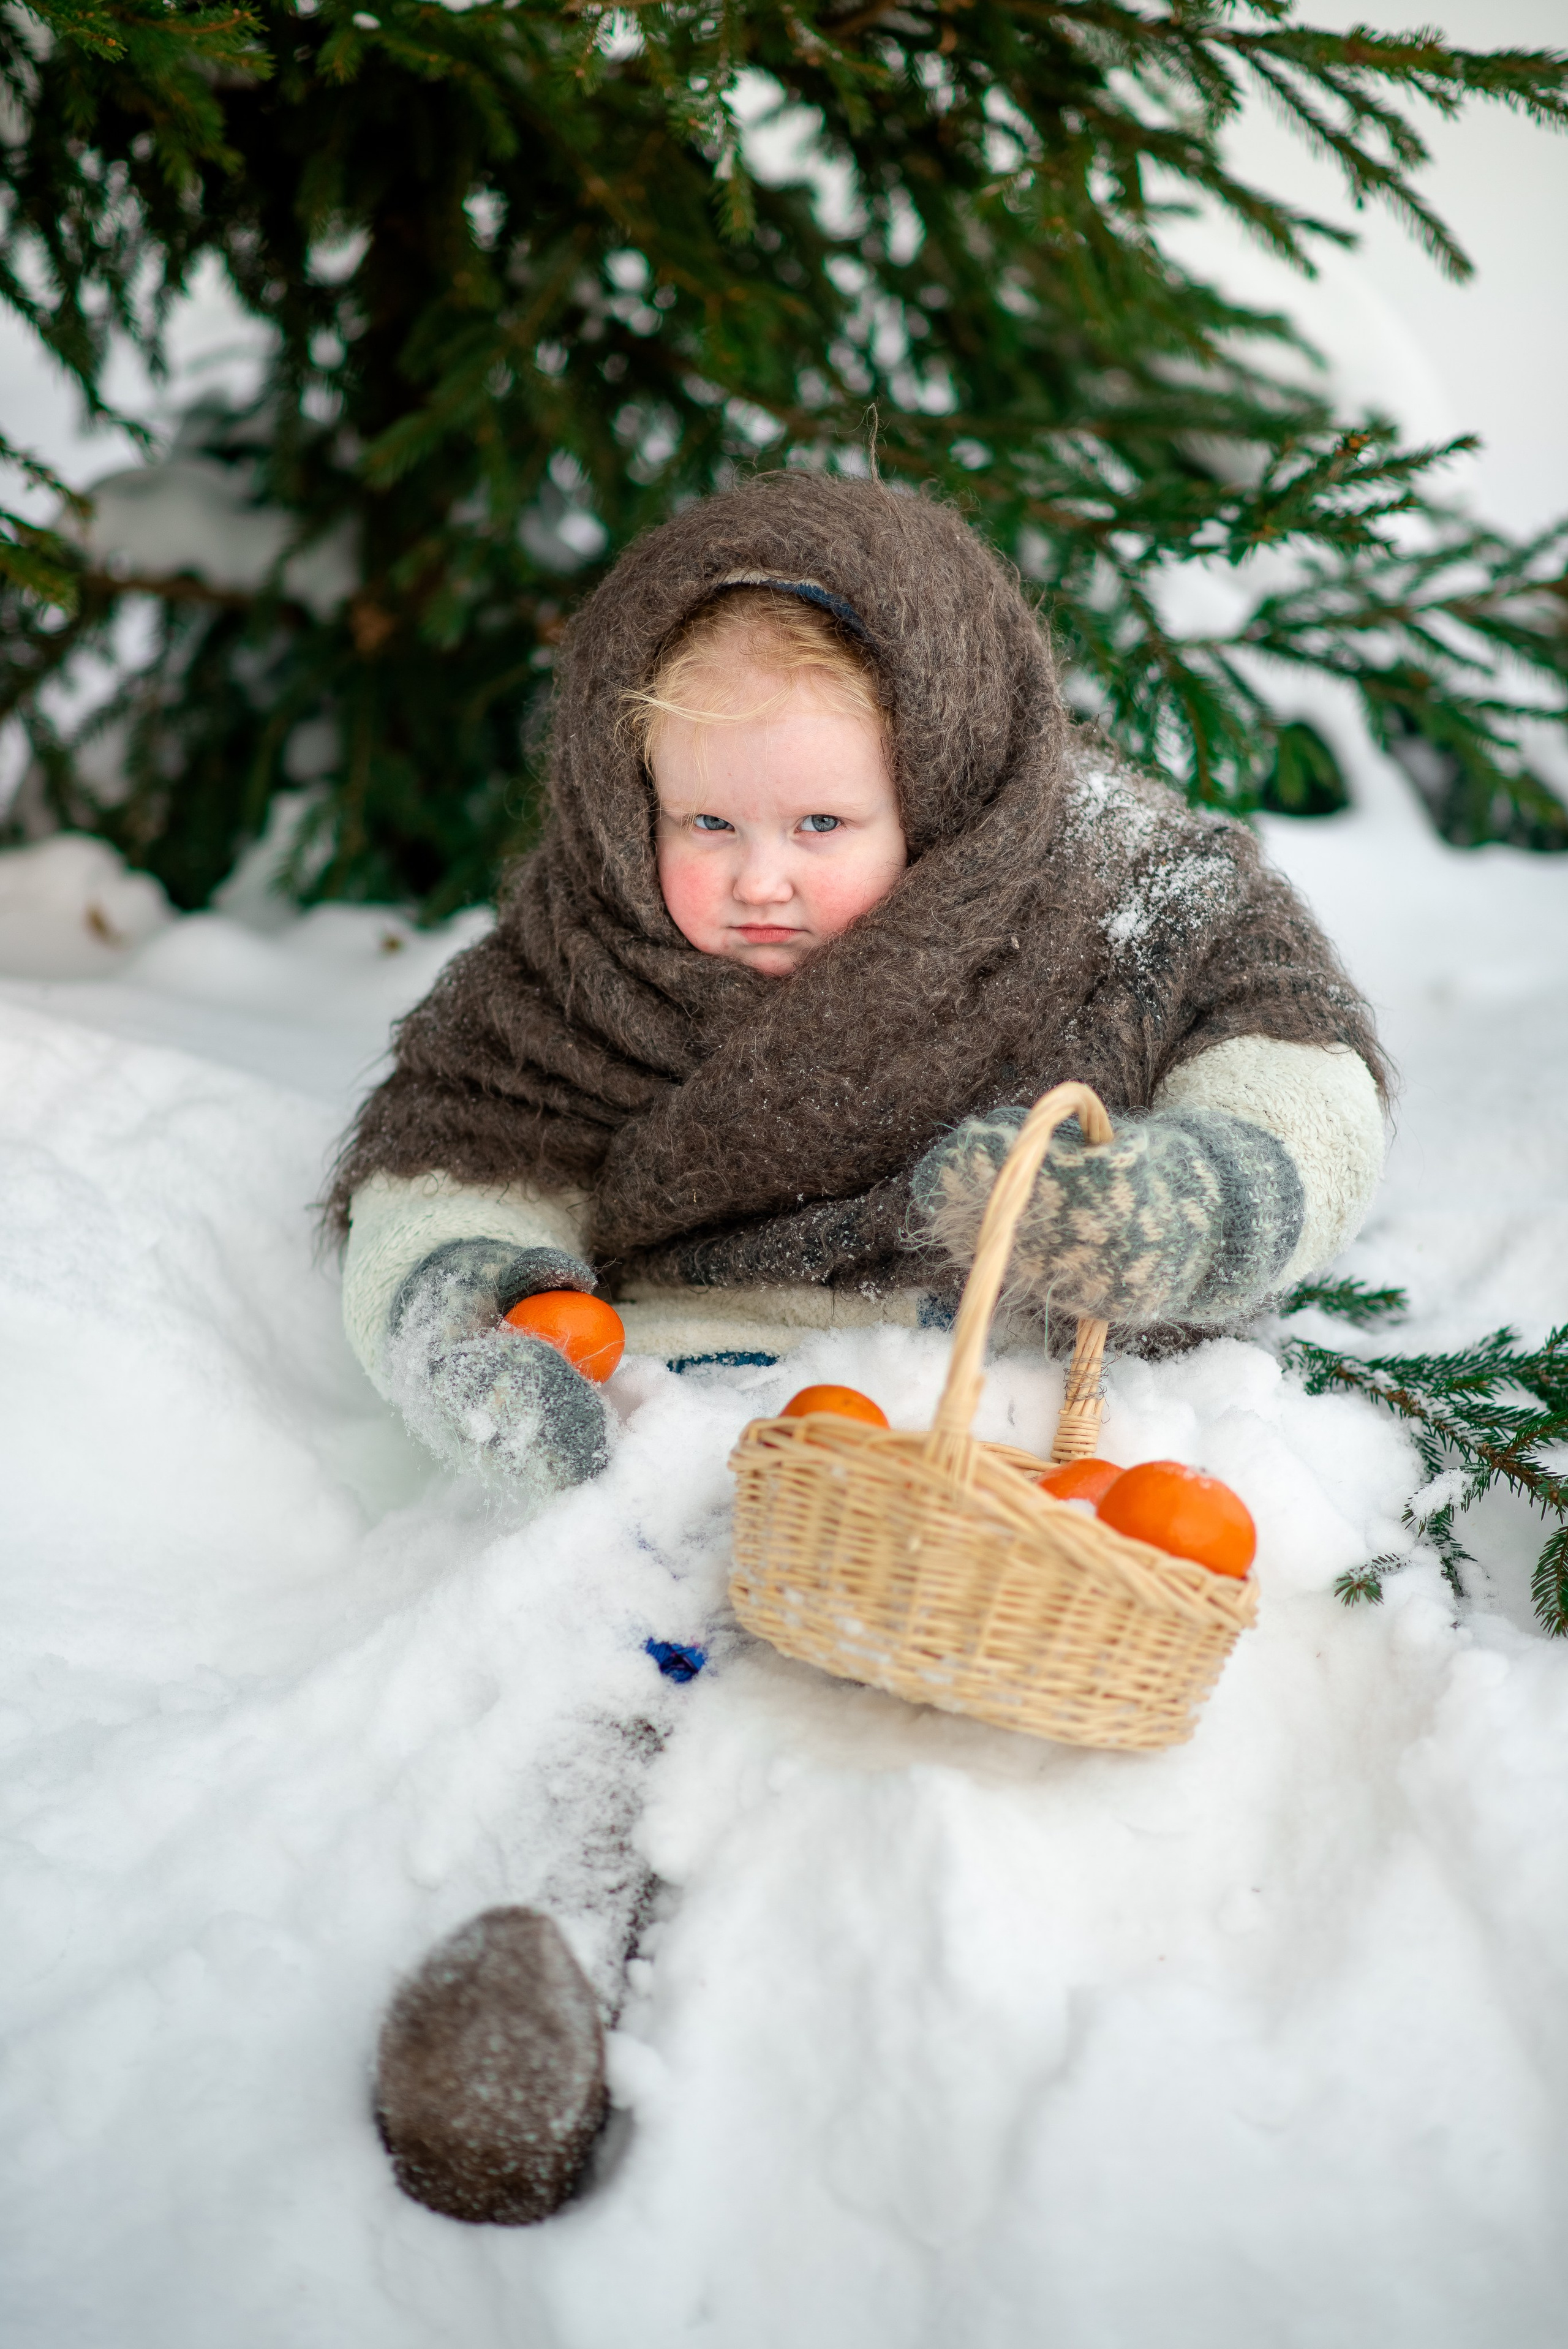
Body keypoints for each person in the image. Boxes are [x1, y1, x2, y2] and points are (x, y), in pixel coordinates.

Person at [329, 472, 1387, 2225]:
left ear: (940, 773)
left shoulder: (1108, 879)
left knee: (973, 1762)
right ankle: (554, 1941)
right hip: (719, 1389)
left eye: (824, 823)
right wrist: (477, 1308)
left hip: (1038, 1397)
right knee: (633, 1617)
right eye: (707, 825)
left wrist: (1186, 1198)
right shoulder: (575, 953)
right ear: (622, 788)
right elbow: (457, 1154)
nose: (757, 882)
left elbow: (1297, 1061)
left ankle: (982, 2068)